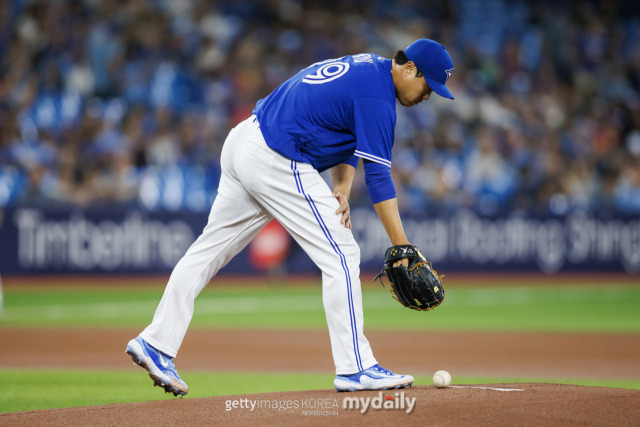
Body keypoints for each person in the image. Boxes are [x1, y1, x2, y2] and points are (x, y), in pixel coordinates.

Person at [126, 38, 454, 395]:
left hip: (244, 141)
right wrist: (401, 245)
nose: (428, 96)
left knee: (208, 251)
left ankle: (156, 343)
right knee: (342, 254)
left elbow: (348, 141)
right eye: (428, 86)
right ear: (409, 69)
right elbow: (378, 178)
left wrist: (341, 188)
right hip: (275, 153)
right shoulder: (378, 96)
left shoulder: (369, 70)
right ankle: (355, 367)